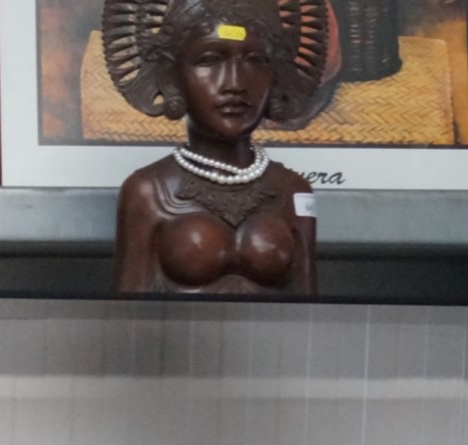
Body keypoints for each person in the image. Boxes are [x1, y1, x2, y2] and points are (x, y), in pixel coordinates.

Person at [103, 0, 329, 296]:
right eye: (209, 60)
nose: (235, 83)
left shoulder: (294, 191)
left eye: (255, 60)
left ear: (277, 76)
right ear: (171, 77)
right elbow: (130, 321)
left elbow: (311, 318)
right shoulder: (147, 191)